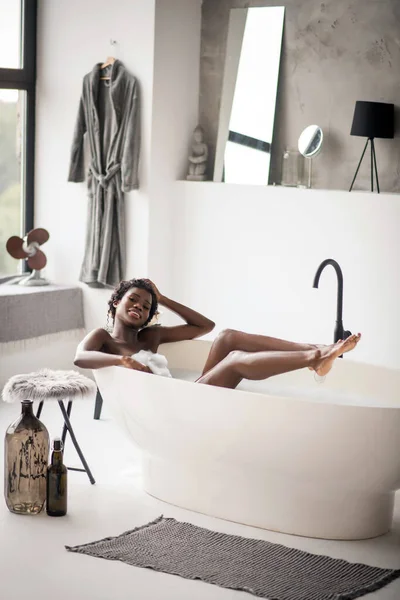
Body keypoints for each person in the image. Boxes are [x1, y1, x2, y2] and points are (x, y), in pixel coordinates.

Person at [74, 278, 361, 390]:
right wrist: (119, 361)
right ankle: (313, 358)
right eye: (133, 300)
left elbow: (205, 328)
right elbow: (80, 357)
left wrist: (163, 298)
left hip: (185, 393)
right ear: (116, 303)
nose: (139, 306)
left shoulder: (151, 337)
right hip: (171, 407)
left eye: (147, 306)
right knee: (234, 358)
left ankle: (317, 349)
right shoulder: (104, 337)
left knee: (227, 336)